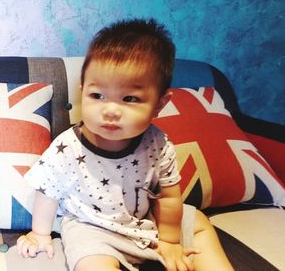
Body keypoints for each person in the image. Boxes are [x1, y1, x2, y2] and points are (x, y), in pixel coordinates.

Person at [17, 19, 233, 271]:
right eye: (97, 95)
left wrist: (170, 240)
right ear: (82, 91)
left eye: (129, 98)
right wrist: (40, 234)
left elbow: (169, 196)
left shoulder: (158, 143)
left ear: (160, 105)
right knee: (91, 262)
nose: (110, 110)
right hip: (92, 228)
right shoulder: (67, 147)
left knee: (197, 221)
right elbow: (47, 193)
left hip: (145, 220)